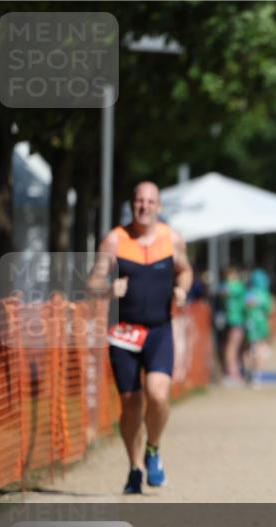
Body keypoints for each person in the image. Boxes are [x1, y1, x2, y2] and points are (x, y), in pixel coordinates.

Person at [90, 181, 192, 494]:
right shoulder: (114, 240)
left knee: (159, 394)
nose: (144, 206)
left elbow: (185, 271)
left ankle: (153, 450)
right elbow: (92, 281)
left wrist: (182, 289)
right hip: (123, 334)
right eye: (139, 201)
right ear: (132, 205)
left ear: (158, 207)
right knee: (131, 404)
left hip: (159, 330)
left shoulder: (171, 239)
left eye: (150, 201)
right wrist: (109, 288)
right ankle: (134, 468)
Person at [244, 268, 275, 385]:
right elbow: (270, 312)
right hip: (261, 325)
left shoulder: (249, 293)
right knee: (259, 349)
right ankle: (257, 375)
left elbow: (245, 308)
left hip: (249, 325)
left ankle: (249, 372)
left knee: (249, 349)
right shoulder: (266, 295)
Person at [221, 267, 247, 385]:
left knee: (233, 346)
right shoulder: (237, 287)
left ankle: (233, 371)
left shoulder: (226, 287)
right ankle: (232, 372)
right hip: (236, 320)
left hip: (233, 320)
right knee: (233, 346)